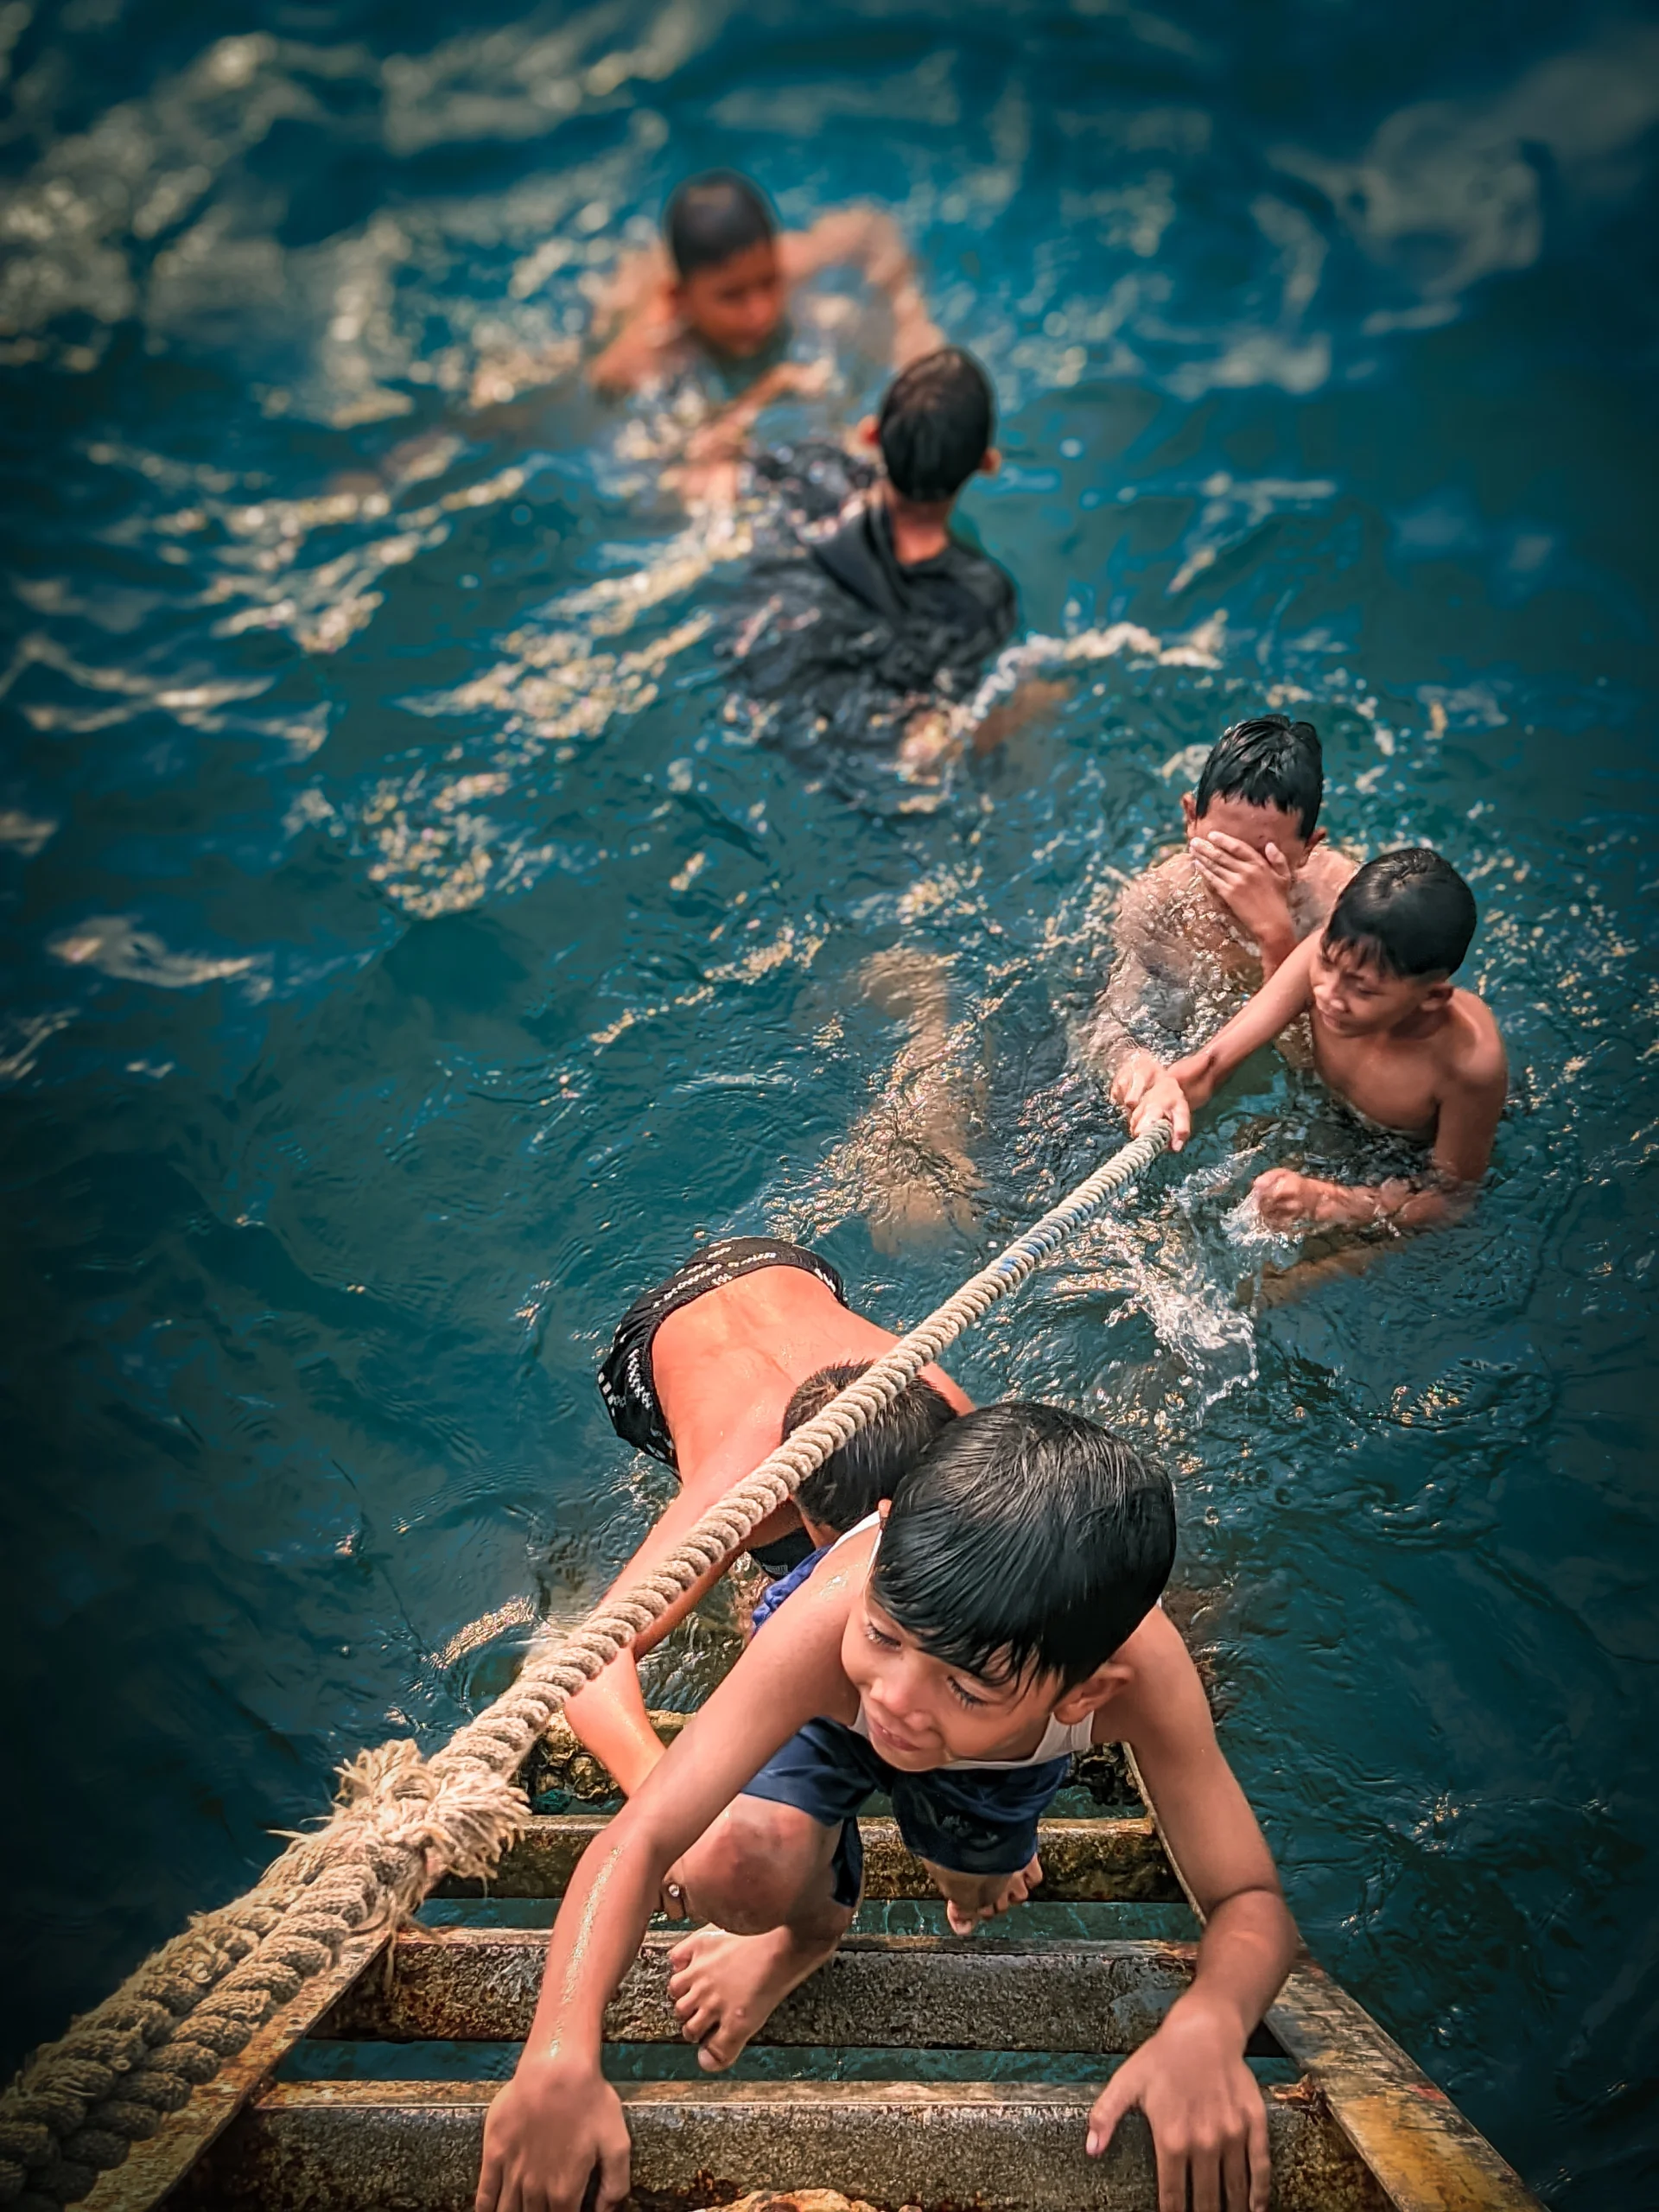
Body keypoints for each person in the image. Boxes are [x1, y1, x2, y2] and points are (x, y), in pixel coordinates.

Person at [476, 1403, 1295, 2212]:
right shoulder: (836, 1621)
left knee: (975, 1883)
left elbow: (1250, 1901)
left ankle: (972, 1844)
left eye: (965, 1685)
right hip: (833, 1697)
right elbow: (644, 1836)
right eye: (887, 1635)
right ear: (883, 1528)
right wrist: (558, 2052)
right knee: (726, 1865)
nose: (897, 1701)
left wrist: (1209, 2025)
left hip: (998, 1749)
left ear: (1085, 1696)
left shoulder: (1142, 1683)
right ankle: (808, 1932)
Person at [569, 1237, 971, 1794]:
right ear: (795, 1505)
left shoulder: (944, 1415)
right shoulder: (739, 1495)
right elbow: (590, 1673)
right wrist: (676, 1810)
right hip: (654, 1343)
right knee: (772, 1569)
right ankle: (751, 1571)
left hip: (784, 1267)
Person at [1127, 849, 1508, 1232]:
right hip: (1318, 1111)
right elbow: (1213, 1062)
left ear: (1432, 997)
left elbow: (1452, 1198)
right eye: (1327, 962)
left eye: (1363, 990)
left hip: (1401, 1161)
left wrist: (1330, 1203)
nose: (1328, 993)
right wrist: (1170, 1089)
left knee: (1288, 1272)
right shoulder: (1317, 957)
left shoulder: (1467, 1064)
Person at [731, 348, 1022, 794]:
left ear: (870, 434)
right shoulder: (982, 595)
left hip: (760, 660)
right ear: (988, 464)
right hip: (859, 734)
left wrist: (769, 387)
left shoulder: (811, 472)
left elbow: (714, 467)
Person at [1093, 714, 1357, 1097]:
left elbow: (1316, 1067)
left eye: (1260, 860)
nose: (1239, 879)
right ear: (1191, 819)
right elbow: (1107, 1022)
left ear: (1307, 849)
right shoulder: (1161, 899)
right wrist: (1130, 1062)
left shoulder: (1339, 904)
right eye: (1222, 851)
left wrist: (1276, 937)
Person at [588, 170, 942, 426]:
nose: (760, 311)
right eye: (732, 297)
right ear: (679, 298)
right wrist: (764, 393)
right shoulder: (643, 355)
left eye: (770, 282)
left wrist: (910, 319)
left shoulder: (793, 259)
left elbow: (872, 226)